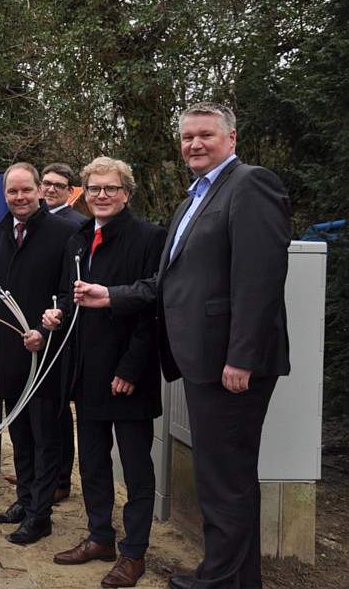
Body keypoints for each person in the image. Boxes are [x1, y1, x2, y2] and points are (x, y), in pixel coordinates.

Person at [74, 102, 291, 589]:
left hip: (229, 365)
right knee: (224, 478)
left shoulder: (250, 184)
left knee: (225, 481)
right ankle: (237, 580)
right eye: (188, 136)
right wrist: (110, 295)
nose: (195, 144)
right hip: (201, 362)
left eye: (206, 135)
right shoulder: (190, 200)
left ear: (231, 140)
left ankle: (216, 580)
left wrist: (242, 357)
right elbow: (167, 284)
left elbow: (260, 280)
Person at [44, 158, 166, 588]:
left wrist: (131, 368)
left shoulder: (150, 238)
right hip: (85, 371)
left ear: (126, 193)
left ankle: (134, 553)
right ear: (84, 192)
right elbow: (65, 291)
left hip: (129, 375)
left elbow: (154, 307)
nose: (101, 195)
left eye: (110, 189)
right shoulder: (78, 238)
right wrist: (55, 313)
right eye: (94, 188)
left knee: (134, 469)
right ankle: (100, 537)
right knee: (92, 463)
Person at [0, 163, 78, 545]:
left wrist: (52, 324)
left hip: (46, 353)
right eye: (11, 192)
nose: (19, 198)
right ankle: (25, 498)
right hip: (7, 352)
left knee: (45, 434)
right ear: (5, 194)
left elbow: (71, 293)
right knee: (18, 431)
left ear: (40, 191)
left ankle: (41, 514)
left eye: (25, 190)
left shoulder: (66, 233)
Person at [41, 161, 86, 504]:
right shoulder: (33, 221)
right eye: (47, 182)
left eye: (59, 184)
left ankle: (60, 480)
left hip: (63, 327)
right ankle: (41, 470)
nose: (51, 188)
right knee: (37, 406)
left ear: (71, 191)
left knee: (57, 409)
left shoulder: (78, 226)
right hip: (33, 324)